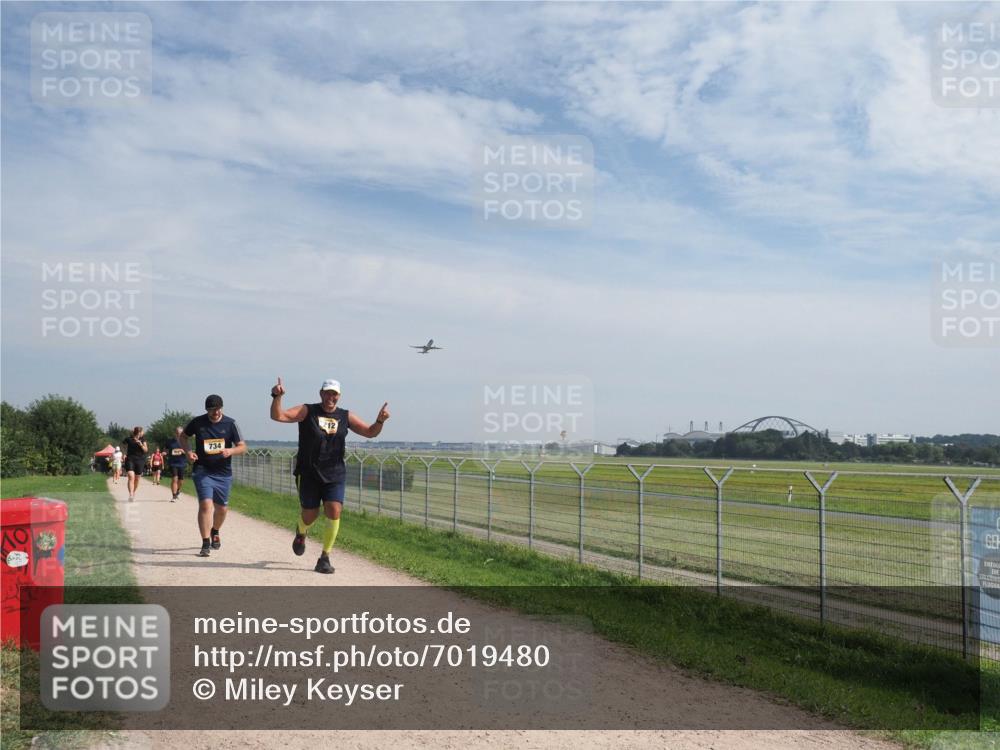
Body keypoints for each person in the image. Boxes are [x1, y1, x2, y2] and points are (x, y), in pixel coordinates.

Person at [270, 377, 389, 574]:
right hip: (308, 473)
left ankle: (324, 557)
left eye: (334, 394)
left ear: (339, 396)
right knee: (310, 514)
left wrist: (380, 420)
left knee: (334, 510)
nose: (330, 397)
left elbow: (370, 432)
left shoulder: (345, 416)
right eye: (327, 393)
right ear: (321, 393)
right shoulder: (308, 411)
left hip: (334, 473)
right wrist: (276, 396)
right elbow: (279, 416)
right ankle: (301, 531)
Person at [179, 395, 247, 557]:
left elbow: (243, 447)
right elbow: (183, 436)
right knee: (205, 505)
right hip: (203, 470)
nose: (215, 412)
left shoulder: (230, 424)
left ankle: (215, 530)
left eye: (217, 409)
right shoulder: (198, 422)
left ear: (222, 408)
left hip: (223, 473)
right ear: (206, 410)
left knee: (222, 509)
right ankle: (205, 543)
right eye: (211, 410)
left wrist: (231, 451)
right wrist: (188, 452)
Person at [123, 427, 148, 502]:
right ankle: (130, 494)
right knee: (131, 476)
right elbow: (123, 446)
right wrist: (124, 453)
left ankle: (133, 492)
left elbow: (146, 450)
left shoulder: (143, 440)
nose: (143, 433)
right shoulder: (129, 439)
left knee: (137, 478)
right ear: (139, 432)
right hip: (130, 459)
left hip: (140, 460)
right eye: (142, 431)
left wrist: (141, 445)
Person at [165, 426, 189, 502]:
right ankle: (174, 496)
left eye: (180, 433)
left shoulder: (185, 441)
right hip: (172, 463)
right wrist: (164, 452)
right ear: (175, 433)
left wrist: (183, 451)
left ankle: (178, 490)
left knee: (181, 480)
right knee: (174, 478)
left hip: (182, 463)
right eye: (177, 433)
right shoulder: (169, 441)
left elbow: (189, 452)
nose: (178, 434)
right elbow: (166, 450)